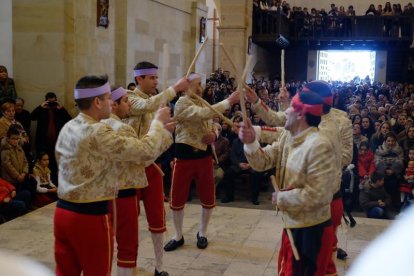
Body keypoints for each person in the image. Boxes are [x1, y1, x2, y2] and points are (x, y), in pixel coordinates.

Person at [53, 75, 175, 276]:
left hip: (63, 212)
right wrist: (158, 125)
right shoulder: (98, 131)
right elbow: (144, 150)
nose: (113, 102)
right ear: (97, 101)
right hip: (89, 217)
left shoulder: (69, 126)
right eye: (109, 98)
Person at [240, 91, 335, 275]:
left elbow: (320, 195)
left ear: (300, 114)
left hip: (311, 230)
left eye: (290, 106)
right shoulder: (288, 136)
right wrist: (251, 142)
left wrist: (283, 198)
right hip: (292, 223)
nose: (286, 111)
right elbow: (263, 161)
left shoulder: (320, 145)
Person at [124, 61, 189, 276]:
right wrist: (175, 89)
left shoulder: (156, 102)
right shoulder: (128, 99)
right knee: (128, 221)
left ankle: (159, 267)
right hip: (130, 170)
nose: (156, 81)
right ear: (138, 79)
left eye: (156, 78)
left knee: (157, 218)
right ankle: (127, 265)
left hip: (152, 166)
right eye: (152, 78)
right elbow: (145, 106)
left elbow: (157, 137)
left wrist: (166, 132)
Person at [102, 86, 173, 276]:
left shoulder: (92, 125)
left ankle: (158, 266)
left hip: (102, 191)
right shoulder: (122, 127)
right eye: (125, 100)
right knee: (127, 245)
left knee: (107, 245)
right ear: (113, 105)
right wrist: (163, 131)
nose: (129, 104)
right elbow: (145, 155)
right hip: (124, 190)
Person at [164, 73, 239, 252]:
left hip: (204, 156)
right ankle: (178, 235)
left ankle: (202, 233)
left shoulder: (201, 101)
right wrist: (228, 101)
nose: (200, 88)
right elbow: (203, 114)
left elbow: (214, 123)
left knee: (207, 196)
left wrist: (215, 134)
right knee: (178, 197)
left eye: (201, 84)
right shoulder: (182, 103)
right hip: (184, 156)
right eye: (197, 85)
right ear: (186, 86)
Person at [219, 115, 264, 205]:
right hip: (239, 165)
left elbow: (260, 155)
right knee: (228, 173)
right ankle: (229, 196)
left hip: (252, 165)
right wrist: (239, 164)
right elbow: (233, 156)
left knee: (258, 174)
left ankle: (254, 198)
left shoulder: (255, 141)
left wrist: (250, 165)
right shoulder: (236, 141)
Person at [30, 92, 71, 184]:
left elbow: (69, 120)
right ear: (46, 101)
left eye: (54, 102)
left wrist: (62, 109)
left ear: (56, 100)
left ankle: (55, 184)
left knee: (55, 165)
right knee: (42, 164)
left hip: (57, 143)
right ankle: (43, 184)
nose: (52, 104)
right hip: (43, 143)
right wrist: (40, 107)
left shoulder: (59, 110)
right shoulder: (42, 110)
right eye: (50, 102)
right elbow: (32, 117)